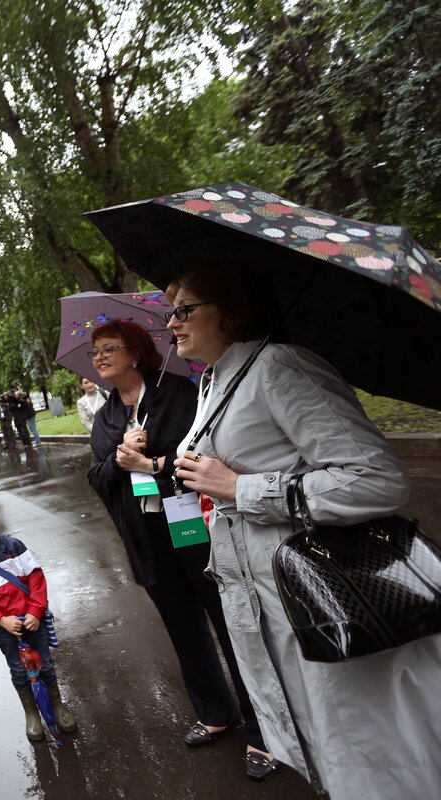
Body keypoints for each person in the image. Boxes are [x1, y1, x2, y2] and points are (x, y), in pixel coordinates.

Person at [165, 264, 441, 796]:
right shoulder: (217, 379)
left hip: (322, 600)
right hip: (268, 607)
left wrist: (241, 488)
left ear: (232, 309)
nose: (172, 322)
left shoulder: (280, 367)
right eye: (170, 310)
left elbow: (377, 480)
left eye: (185, 308)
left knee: (368, 747)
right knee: (325, 746)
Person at [86, 319, 270, 778]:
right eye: (95, 352)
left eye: (110, 347)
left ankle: (264, 729)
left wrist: (151, 460)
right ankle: (215, 712)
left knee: (226, 621)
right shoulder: (107, 416)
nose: (100, 357)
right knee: (181, 626)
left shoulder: (179, 394)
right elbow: (97, 477)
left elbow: (204, 454)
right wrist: (118, 458)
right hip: (145, 536)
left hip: (188, 521)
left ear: (135, 352)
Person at [0, 496, 77, 741]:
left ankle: (57, 705)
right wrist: (0, 620)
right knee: (18, 669)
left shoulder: (15, 547)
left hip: (33, 620)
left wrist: (35, 611)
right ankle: (31, 712)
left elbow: (35, 578)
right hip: (6, 628)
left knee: (45, 662)